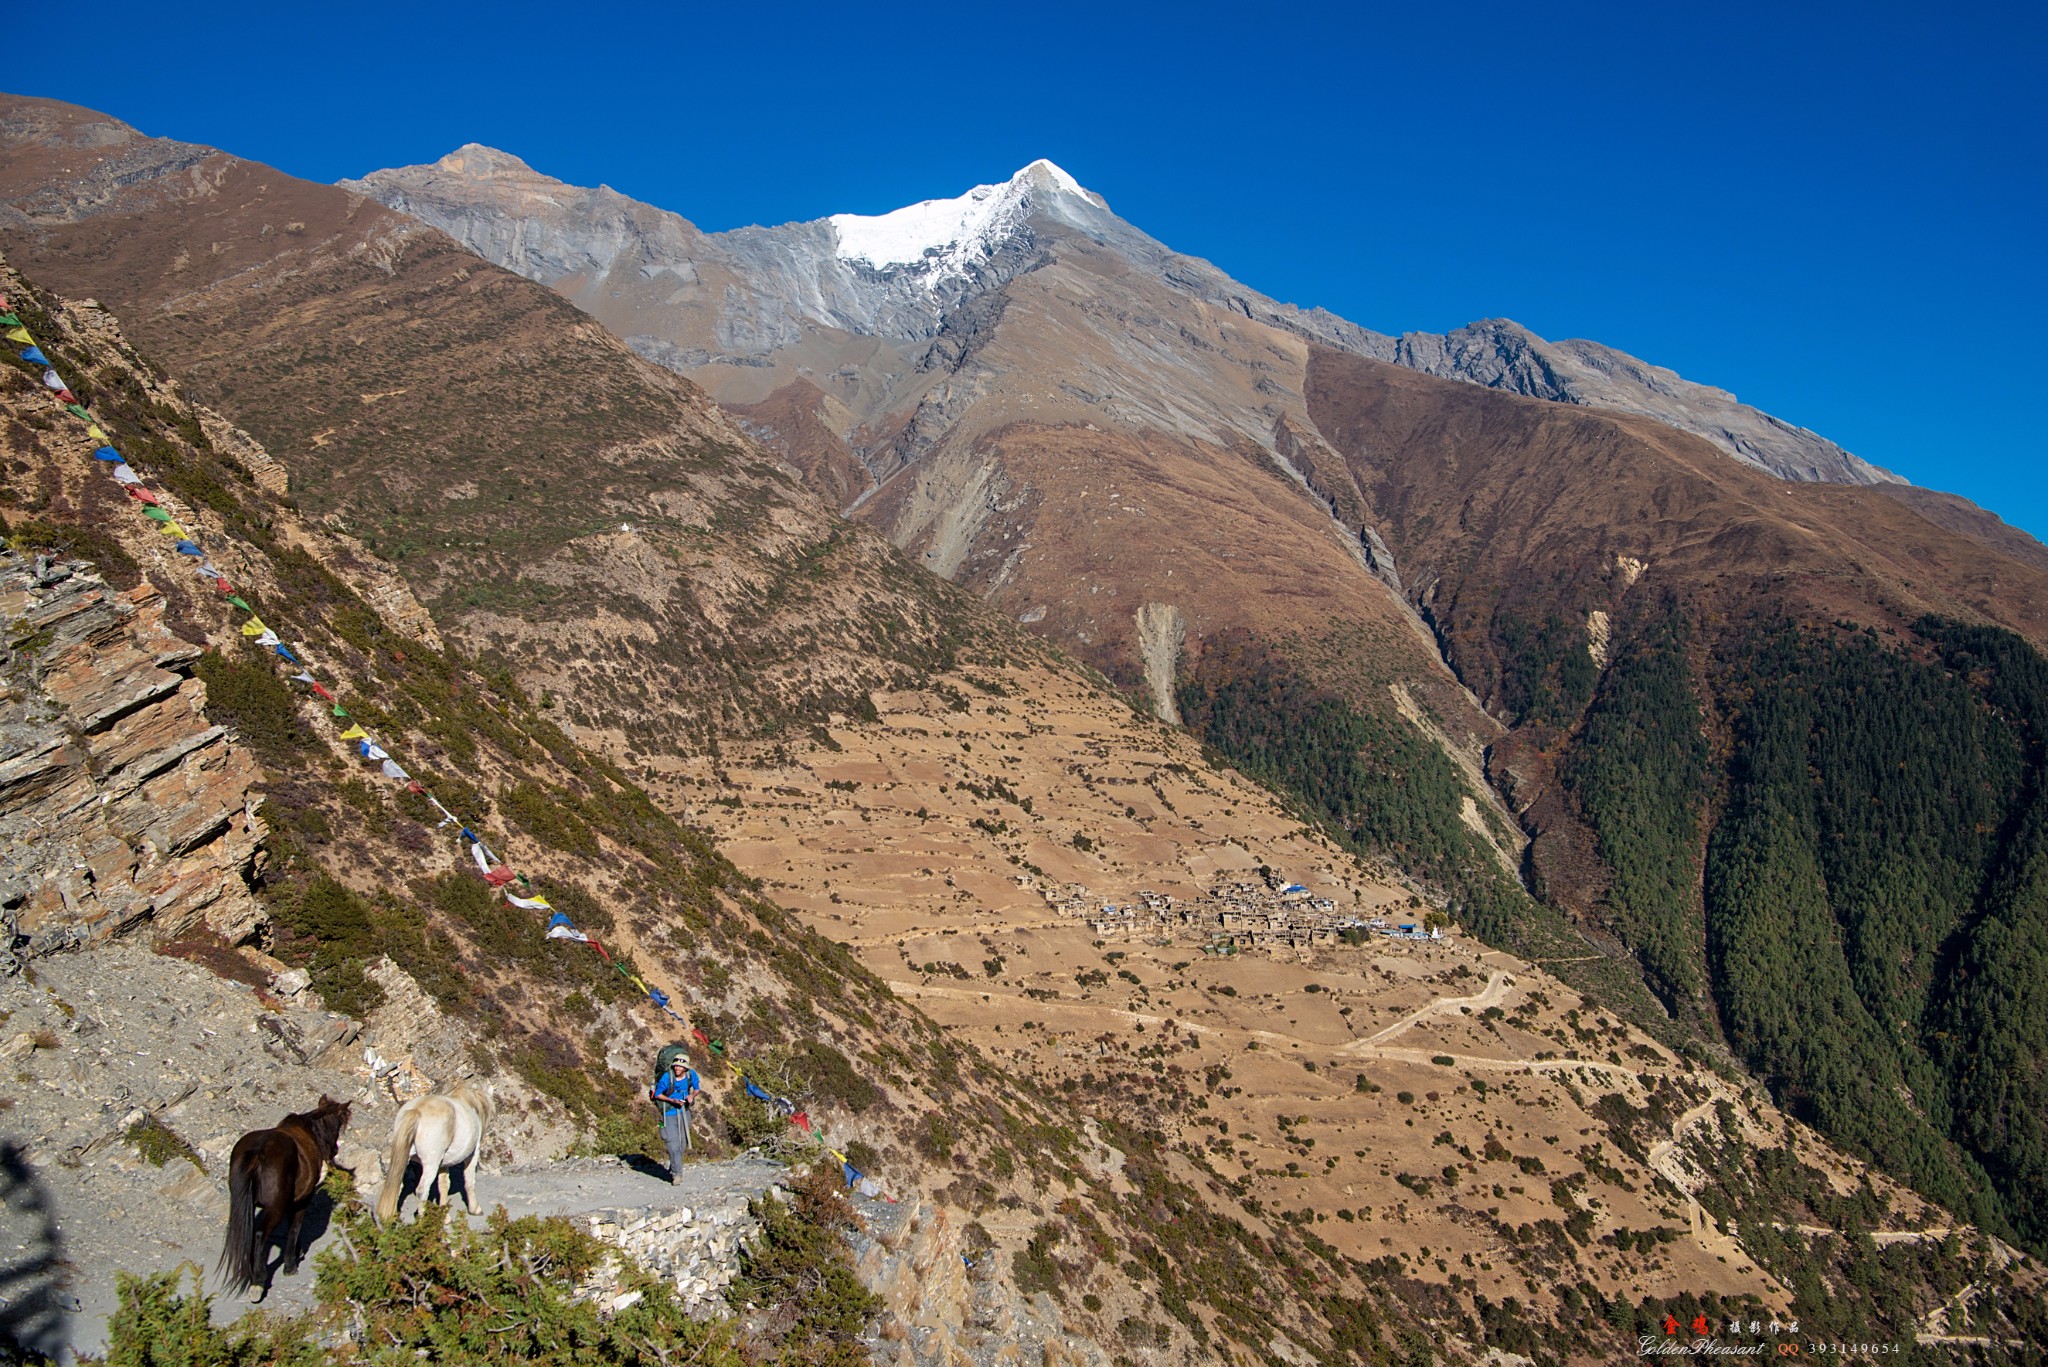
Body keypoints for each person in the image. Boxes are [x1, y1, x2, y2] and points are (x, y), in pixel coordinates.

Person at [650, 1056, 700, 1181]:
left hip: (684, 1112)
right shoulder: (667, 1077)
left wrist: (691, 1096)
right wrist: (671, 1100)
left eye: (680, 1067)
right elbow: (657, 1094)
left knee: (682, 1145)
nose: (677, 1068)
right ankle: (677, 1174)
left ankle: (674, 1166)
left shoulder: (690, 1075)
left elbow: (697, 1089)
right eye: (676, 1066)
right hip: (668, 1114)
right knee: (673, 1144)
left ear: (685, 1068)